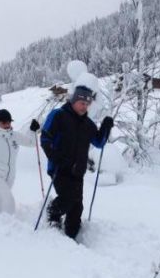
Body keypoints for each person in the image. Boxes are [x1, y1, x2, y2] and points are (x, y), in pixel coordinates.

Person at [40, 85, 114, 239]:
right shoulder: (58, 115)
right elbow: (45, 138)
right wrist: (54, 156)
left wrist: (106, 127)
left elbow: (99, 142)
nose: (84, 106)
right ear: (74, 101)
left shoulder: (88, 124)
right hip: (59, 168)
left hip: (78, 170)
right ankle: (53, 214)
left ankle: (71, 236)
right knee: (67, 198)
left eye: (87, 104)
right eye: (82, 103)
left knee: (77, 207)